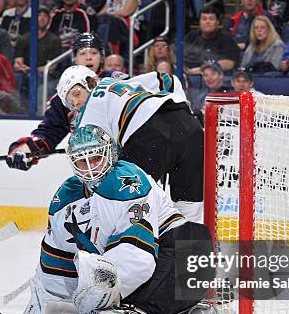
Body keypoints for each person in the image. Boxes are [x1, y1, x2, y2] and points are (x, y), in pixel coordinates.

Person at [10, 124, 215, 314]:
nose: (90, 168)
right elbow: (53, 267)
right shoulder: (65, 199)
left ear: (110, 155)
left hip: (163, 258)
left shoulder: (128, 181)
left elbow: (138, 259)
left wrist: (97, 304)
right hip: (120, 283)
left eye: (95, 158)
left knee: (196, 244)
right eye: (81, 162)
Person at [55, 65, 204, 222]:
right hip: (189, 127)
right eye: (71, 104)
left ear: (89, 82)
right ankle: (191, 246)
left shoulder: (86, 116)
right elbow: (169, 81)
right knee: (189, 203)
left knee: (126, 199)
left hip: (148, 137)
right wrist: (184, 115)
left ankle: (136, 243)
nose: (77, 103)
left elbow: (92, 162)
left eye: (77, 94)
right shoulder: (120, 83)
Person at [5, 32, 105, 174]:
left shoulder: (116, 83)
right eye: (83, 53)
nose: (89, 57)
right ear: (74, 58)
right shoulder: (64, 97)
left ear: (101, 57)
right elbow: (48, 134)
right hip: (91, 169)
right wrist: (26, 150)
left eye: (94, 52)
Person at [183, 6, 240, 74]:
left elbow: (230, 63)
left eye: (211, 19)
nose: (207, 22)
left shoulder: (226, 39)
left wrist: (202, 69)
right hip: (187, 74)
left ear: (217, 22)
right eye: (204, 19)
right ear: (199, 22)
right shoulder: (191, 36)